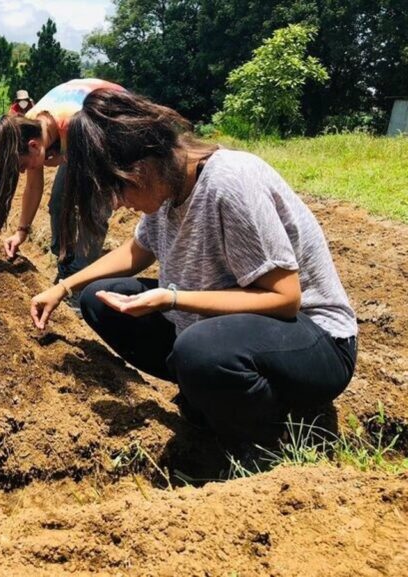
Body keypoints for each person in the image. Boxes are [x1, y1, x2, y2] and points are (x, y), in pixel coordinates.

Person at [30, 89, 358, 445]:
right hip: (227, 327)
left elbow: (284, 298)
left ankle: (266, 440)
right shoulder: (167, 183)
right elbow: (136, 252)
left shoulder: (228, 184)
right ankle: (213, 391)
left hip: (314, 340)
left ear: (140, 169)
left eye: (119, 191)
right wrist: (65, 287)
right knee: (98, 299)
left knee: (198, 350)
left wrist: (172, 299)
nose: (120, 204)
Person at [0, 78, 124, 292]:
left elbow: (105, 163)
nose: (24, 171)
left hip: (111, 124)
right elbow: (33, 187)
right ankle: (65, 266)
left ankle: (80, 284)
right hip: (76, 136)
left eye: (23, 165)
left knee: (94, 210)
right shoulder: (31, 125)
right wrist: (21, 232)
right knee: (59, 204)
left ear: (34, 146)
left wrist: (117, 189)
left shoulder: (75, 126)